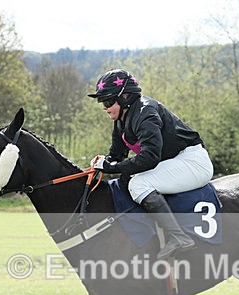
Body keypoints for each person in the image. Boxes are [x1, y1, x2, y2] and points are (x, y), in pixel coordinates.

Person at [87, 69, 214, 260]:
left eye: (107, 102)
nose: (104, 107)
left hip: (193, 162)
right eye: (102, 103)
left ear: (125, 97)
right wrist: (102, 164)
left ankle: (178, 237)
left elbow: (150, 158)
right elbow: (117, 156)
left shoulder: (146, 113)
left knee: (138, 183)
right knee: (130, 180)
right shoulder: (122, 120)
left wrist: (110, 167)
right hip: (175, 162)